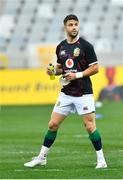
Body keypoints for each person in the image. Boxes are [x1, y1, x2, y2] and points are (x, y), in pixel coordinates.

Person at [24, 14, 107, 169]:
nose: (74, 27)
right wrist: (53, 71)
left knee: (90, 126)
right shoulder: (61, 47)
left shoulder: (86, 46)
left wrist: (77, 75)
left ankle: (101, 161)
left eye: (76, 24)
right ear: (65, 27)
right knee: (53, 124)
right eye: (71, 24)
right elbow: (62, 68)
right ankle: (42, 157)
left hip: (83, 92)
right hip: (67, 92)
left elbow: (95, 68)